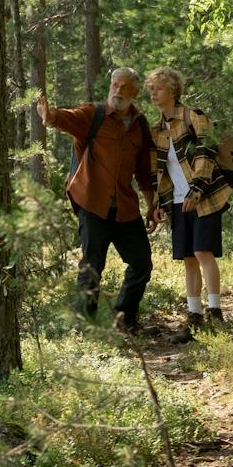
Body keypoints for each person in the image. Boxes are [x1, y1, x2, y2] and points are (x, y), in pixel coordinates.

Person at [36, 68, 160, 334]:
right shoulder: (94, 114)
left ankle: (124, 320)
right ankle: (86, 328)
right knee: (92, 267)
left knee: (142, 264)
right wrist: (50, 116)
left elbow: (144, 171)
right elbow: (67, 118)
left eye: (124, 86)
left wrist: (151, 204)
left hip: (125, 208)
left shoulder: (139, 124)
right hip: (92, 203)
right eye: (115, 84)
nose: (117, 90)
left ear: (135, 93)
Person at [144, 65, 231, 331]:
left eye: (157, 88)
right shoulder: (156, 129)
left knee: (202, 251)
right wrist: (159, 204)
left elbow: (207, 151)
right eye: (150, 89)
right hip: (177, 202)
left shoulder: (193, 116)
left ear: (172, 90)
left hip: (205, 197)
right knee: (188, 259)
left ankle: (215, 312)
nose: (153, 93)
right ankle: (194, 317)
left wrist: (197, 188)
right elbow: (159, 171)